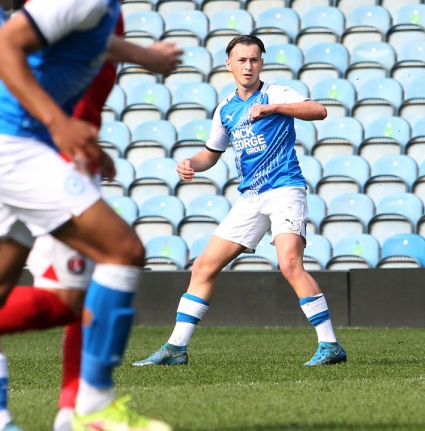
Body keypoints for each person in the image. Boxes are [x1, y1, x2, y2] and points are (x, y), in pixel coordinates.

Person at [0, 0, 170, 429]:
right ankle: (91, 407)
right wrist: (61, 124)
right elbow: (10, 43)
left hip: (25, 141)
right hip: (18, 142)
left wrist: (139, 56)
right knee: (122, 249)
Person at [133, 35, 347, 369]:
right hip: (250, 197)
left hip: (284, 190)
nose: (248, 66)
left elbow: (318, 111)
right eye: (242, 60)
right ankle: (176, 349)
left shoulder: (275, 93)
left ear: (262, 63)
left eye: (254, 60)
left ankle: (330, 344)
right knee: (204, 266)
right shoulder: (225, 109)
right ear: (228, 64)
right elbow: (211, 154)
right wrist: (191, 163)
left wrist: (273, 108)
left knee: (290, 263)